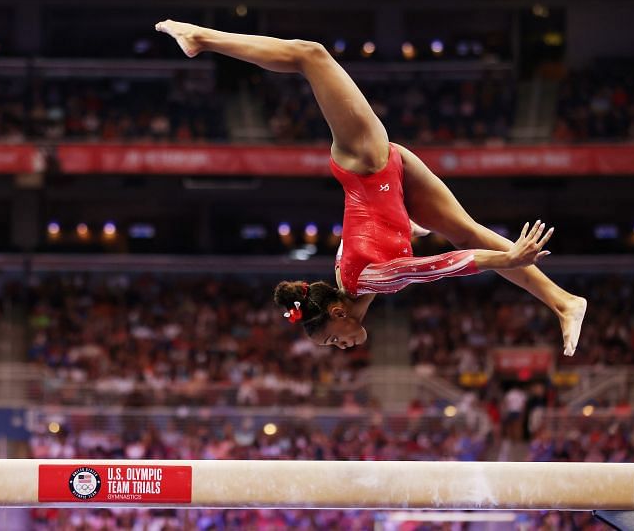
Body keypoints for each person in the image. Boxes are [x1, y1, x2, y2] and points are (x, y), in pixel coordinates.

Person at [156, 20, 587, 356]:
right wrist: (409, 229)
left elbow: (437, 267)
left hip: (367, 163)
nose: (341, 348)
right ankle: (565, 302)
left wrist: (505, 258)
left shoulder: (370, 281)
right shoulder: (345, 280)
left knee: (313, 56)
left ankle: (202, 38)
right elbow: (366, 236)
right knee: (469, 230)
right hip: (391, 181)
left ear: (339, 312)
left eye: (332, 340)